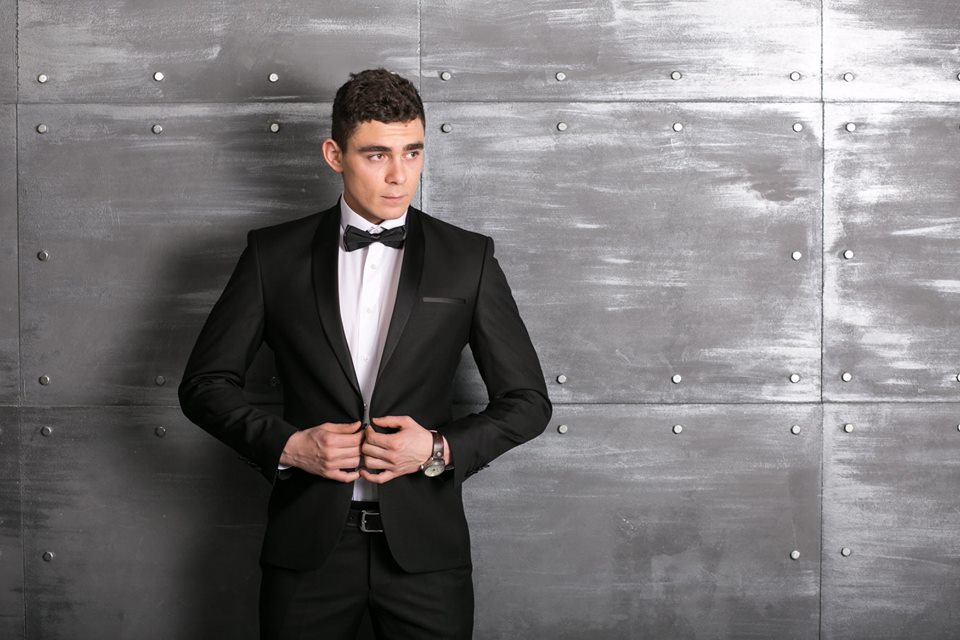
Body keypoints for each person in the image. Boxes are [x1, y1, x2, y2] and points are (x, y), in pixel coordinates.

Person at [178, 68, 552, 639]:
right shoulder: (272, 255)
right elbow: (204, 385)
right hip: (307, 551)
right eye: (377, 155)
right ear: (335, 154)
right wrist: (289, 446)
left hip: (427, 555)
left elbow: (528, 402)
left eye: (412, 152)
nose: (400, 175)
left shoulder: (467, 258)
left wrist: (438, 448)